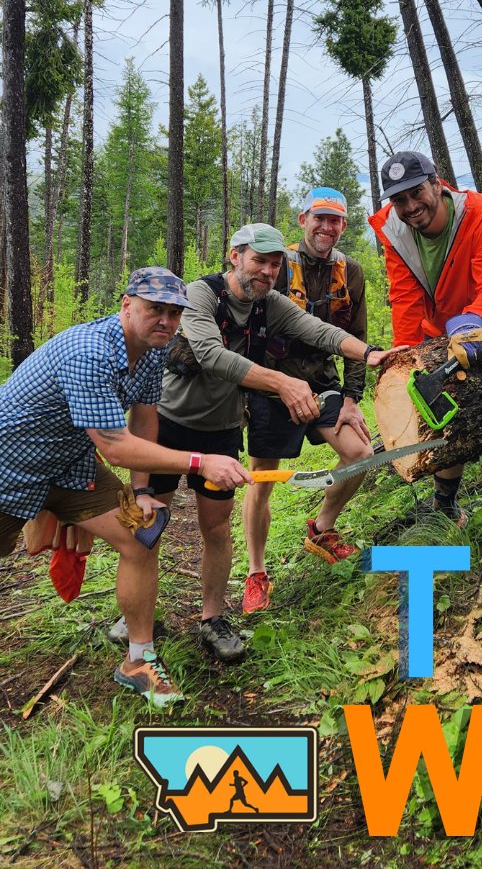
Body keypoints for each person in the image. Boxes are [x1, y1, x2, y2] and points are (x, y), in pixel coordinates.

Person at [0, 268, 253, 735]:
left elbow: (143, 419)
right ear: (126, 304)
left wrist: (140, 491)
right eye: (155, 309)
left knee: (142, 539)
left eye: (174, 313)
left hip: (71, 464)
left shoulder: (153, 352)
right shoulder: (89, 350)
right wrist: (198, 462)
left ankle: (139, 659)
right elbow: (115, 444)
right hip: (3, 465)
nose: (166, 321)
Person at [136, 223, 399, 664]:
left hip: (220, 431)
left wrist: (370, 352)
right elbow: (209, 354)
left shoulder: (270, 304)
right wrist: (282, 382)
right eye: (259, 260)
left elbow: (320, 331)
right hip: (167, 424)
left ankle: (212, 618)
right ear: (235, 255)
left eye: (275, 264)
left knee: (216, 528)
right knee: (151, 522)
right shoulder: (202, 295)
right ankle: (139, 614)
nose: (267, 271)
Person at [242, 188, 371, 615]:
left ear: (343, 227)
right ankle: (256, 573)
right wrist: (249, 390)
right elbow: (244, 329)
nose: (326, 227)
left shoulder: (350, 272)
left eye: (334, 220)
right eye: (319, 218)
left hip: (322, 383)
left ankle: (321, 528)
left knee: (360, 454)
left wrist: (352, 398)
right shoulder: (276, 266)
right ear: (303, 220)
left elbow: (358, 338)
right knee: (262, 480)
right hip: (270, 385)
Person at [369, 151, 482, 521]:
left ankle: (446, 500)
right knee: (437, 412)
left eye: (417, 192)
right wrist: (405, 357)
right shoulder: (394, 230)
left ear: (437, 183)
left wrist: (473, 321)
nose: (410, 206)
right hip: (435, 334)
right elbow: (404, 296)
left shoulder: (481, 217)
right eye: (399, 199)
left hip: (475, 325)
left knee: (472, 409)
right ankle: (444, 507)